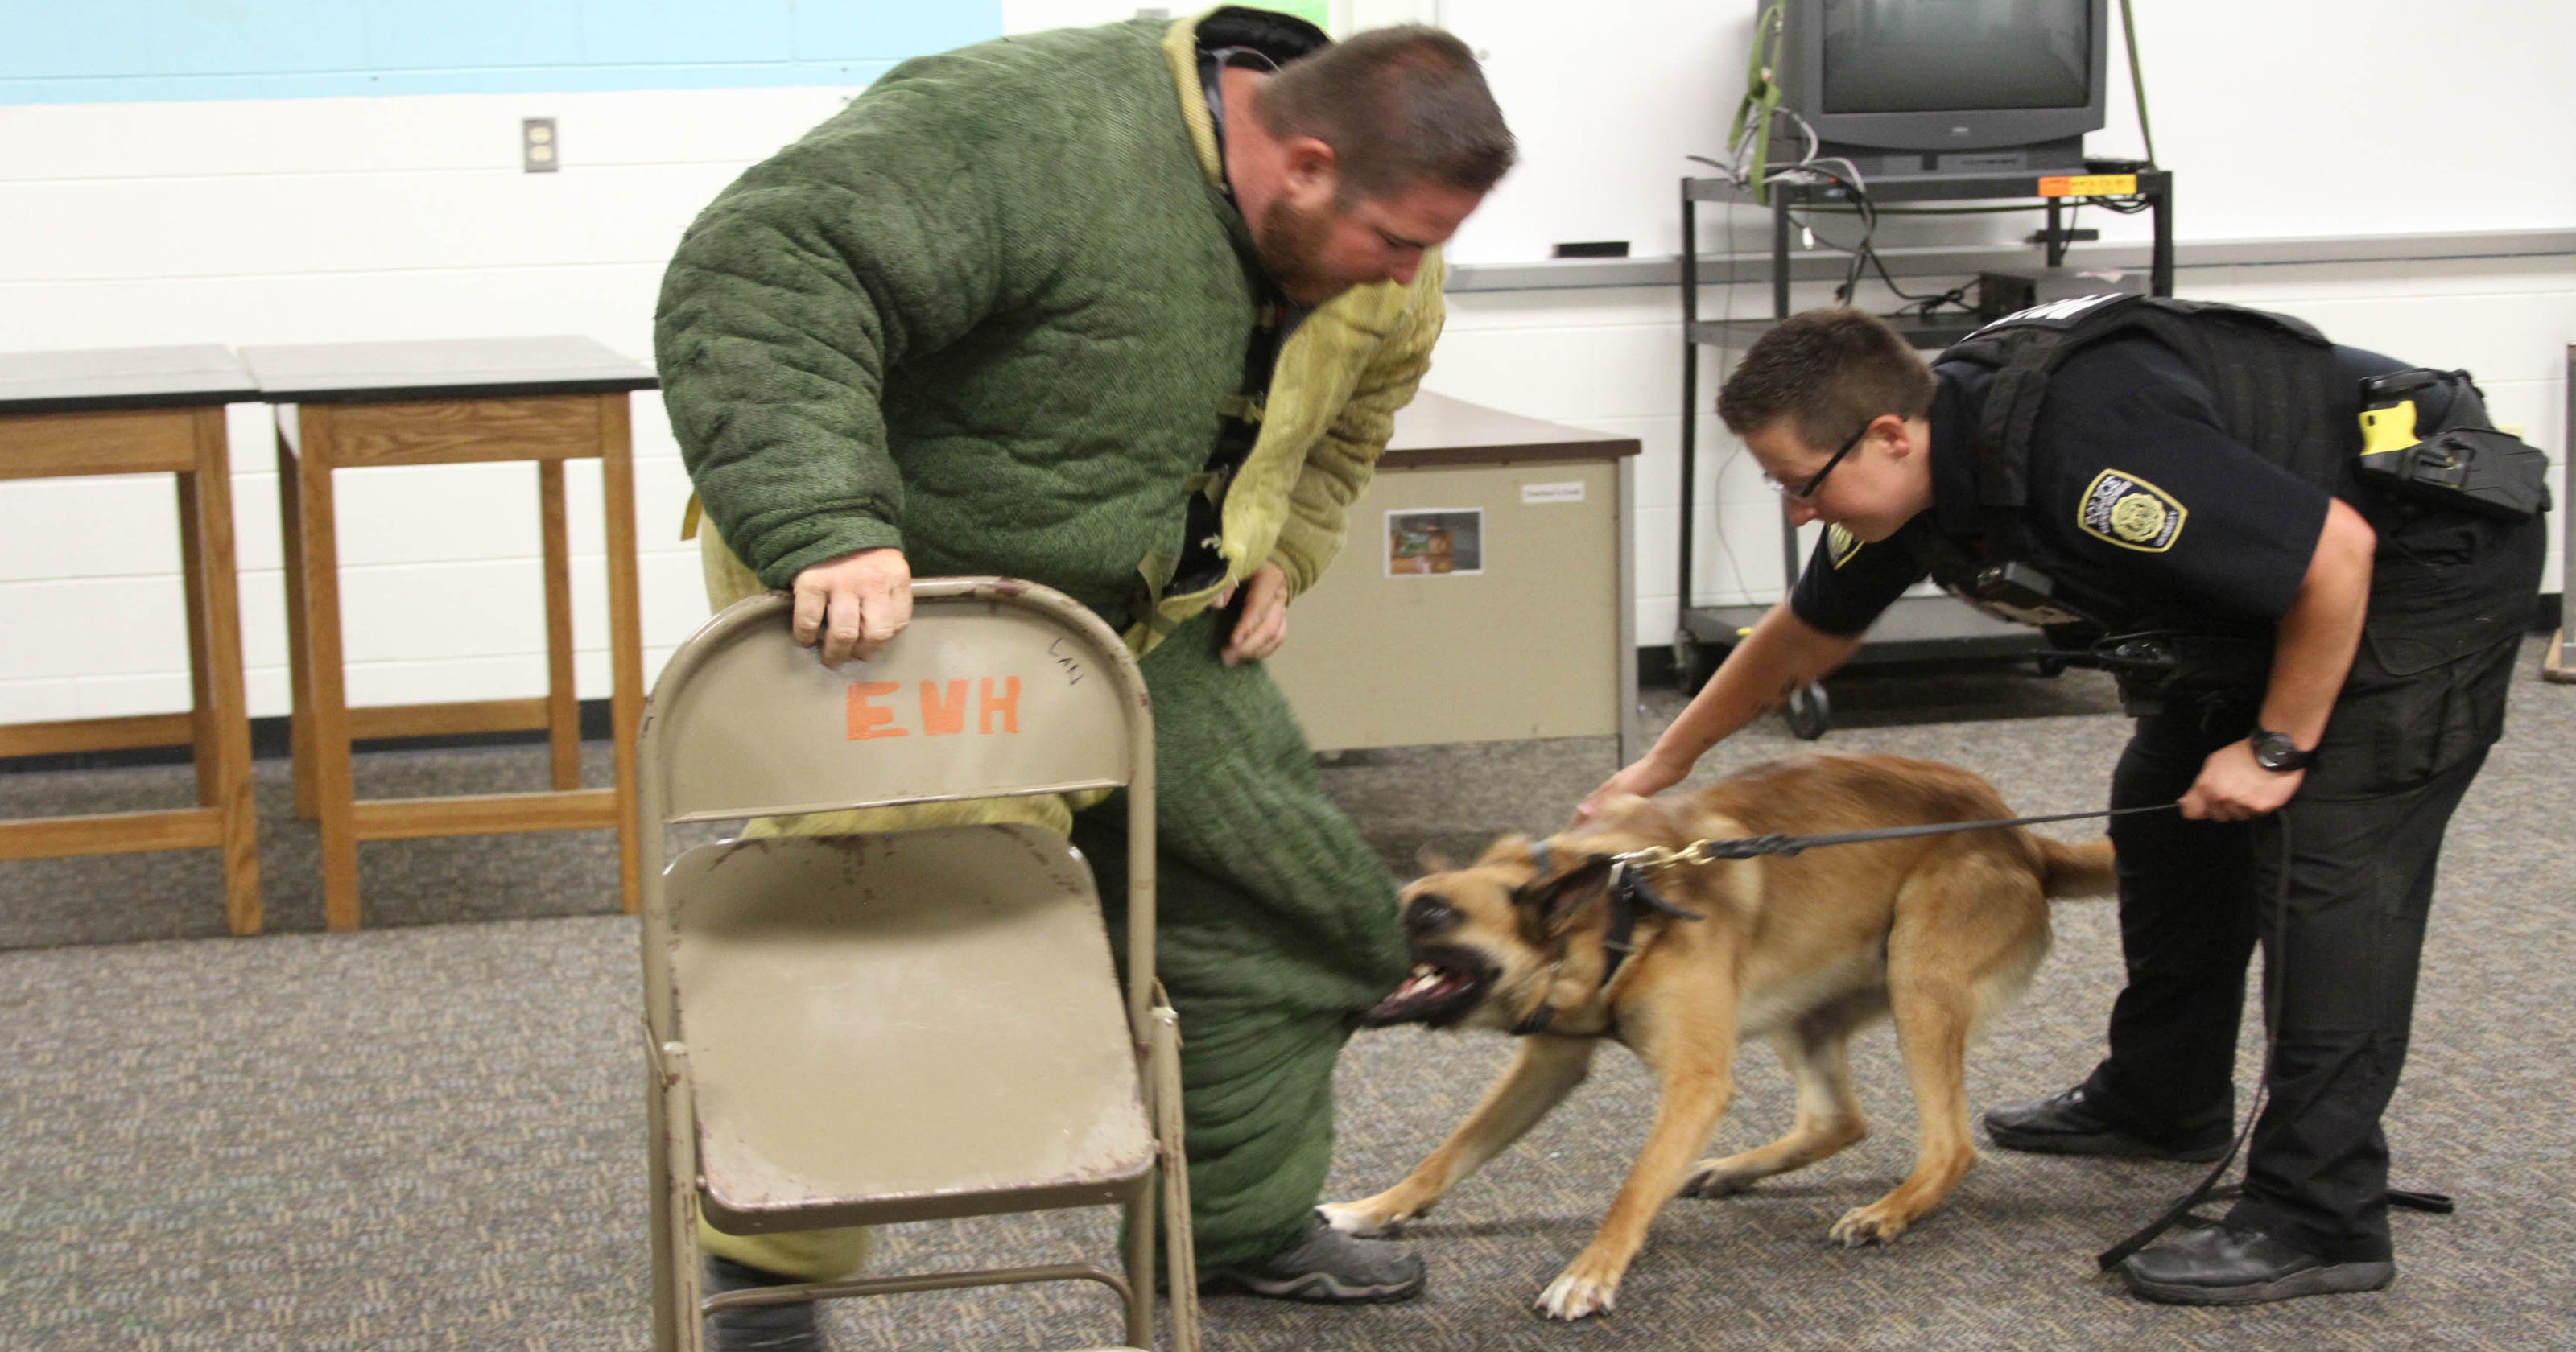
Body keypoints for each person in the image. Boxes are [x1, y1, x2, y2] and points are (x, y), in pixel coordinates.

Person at [656, 6, 1514, 1346]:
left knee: (1284, 905)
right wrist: (827, 525)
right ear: (1303, 164)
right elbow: (764, 270)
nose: (1409, 276)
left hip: (1144, 630)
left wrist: (1286, 548)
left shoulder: (1387, 233)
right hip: (912, 616)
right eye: (1395, 243)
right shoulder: (1027, 130)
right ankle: (769, 1278)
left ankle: (1230, 1224)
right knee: (882, 923)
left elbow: (1355, 417)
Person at [1582, 302, 2544, 1306]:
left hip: (2419, 555)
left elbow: (2334, 556)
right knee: (2162, 811)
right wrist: (1658, 766)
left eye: (1798, 484)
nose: (1795, 513)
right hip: (2263, 588)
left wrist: (2276, 745)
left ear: (1888, 437)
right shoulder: (1922, 472)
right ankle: (2162, 1100)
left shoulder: (2086, 453)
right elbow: (1802, 633)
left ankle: (2318, 1216)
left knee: (2329, 867)